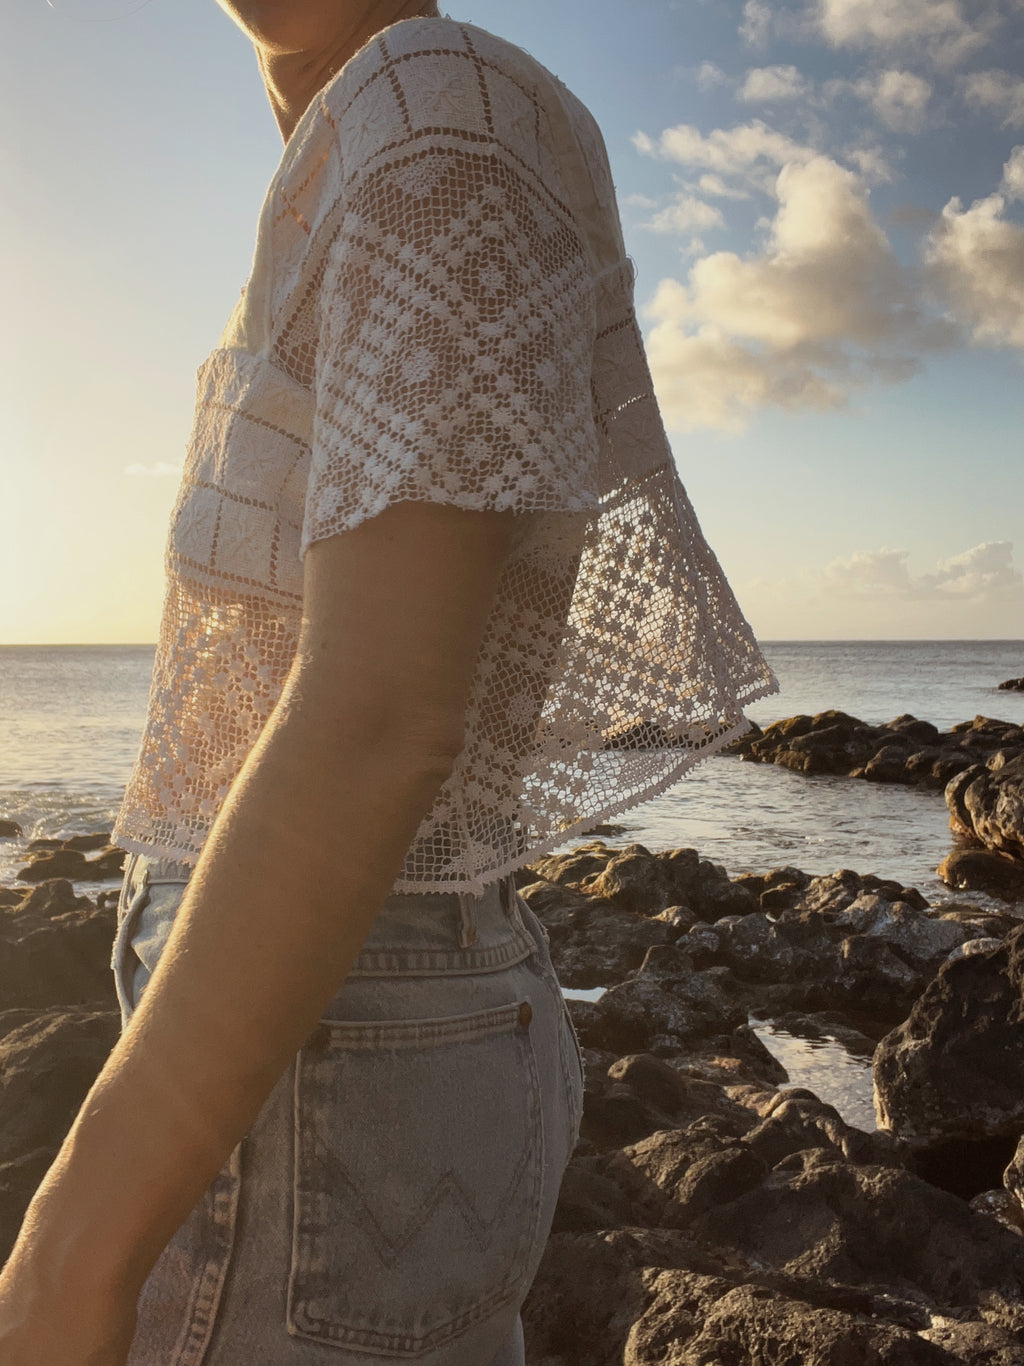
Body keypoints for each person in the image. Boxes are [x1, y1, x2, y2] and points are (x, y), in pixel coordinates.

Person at [0, 2, 776, 1363]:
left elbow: (378, 718)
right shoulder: (381, 127)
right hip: (336, 1026)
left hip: (336, 1031)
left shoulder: (440, 112)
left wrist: (68, 1249)